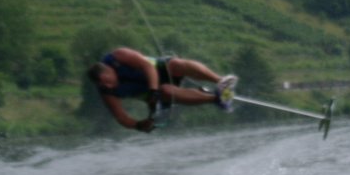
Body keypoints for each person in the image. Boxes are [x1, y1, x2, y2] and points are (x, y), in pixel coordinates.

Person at [87, 47, 237, 132]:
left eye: (106, 81)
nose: (107, 86)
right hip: (157, 96)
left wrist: (153, 90)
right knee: (166, 91)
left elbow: (146, 66)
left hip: (158, 70)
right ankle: (216, 99)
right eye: (102, 85)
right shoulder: (106, 92)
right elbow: (121, 117)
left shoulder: (118, 56)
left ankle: (220, 81)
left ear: (108, 70)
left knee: (176, 65)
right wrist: (138, 125)